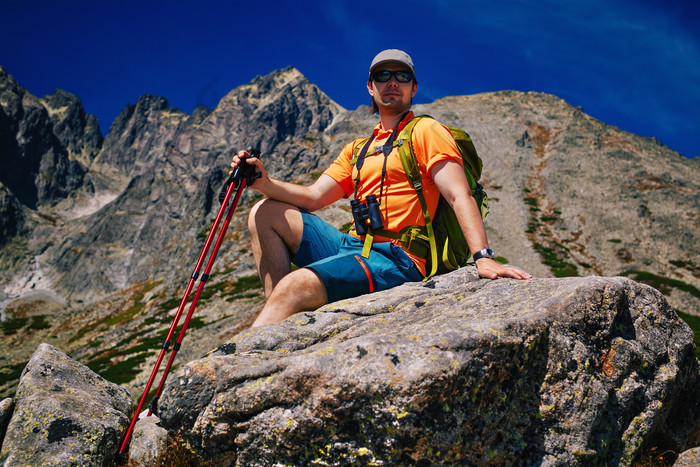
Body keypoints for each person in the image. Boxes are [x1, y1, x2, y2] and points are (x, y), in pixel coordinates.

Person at [231, 49, 531, 327]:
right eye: (382, 76)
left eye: (402, 76)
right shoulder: (358, 149)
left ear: (414, 88)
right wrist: (262, 182)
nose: (392, 82)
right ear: (370, 88)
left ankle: (249, 352)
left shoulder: (426, 131)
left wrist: (483, 258)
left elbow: (458, 195)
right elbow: (313, 197)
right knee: (264, 211)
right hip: (354, 247)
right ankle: (278, 321)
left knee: (295, 285)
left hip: (400, 258)